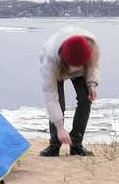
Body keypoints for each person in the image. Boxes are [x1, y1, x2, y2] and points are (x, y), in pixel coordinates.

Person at [38, 26, 100, 157]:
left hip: (82, 70)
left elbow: (93, 65)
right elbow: (50, 96)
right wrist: (60, 127)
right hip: (59, 67)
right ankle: (54, 145)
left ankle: (76, 145)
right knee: (58, 104)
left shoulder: (92, 44)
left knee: (85, 100)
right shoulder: (50, 58)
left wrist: (91, 84)